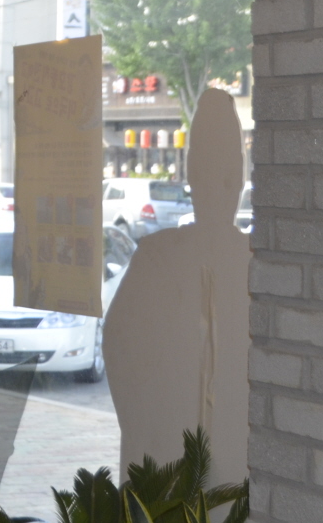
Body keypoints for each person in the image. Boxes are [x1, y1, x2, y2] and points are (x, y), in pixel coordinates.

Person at [102, 88, 250, 485]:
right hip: (164, 461)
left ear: (239, 179)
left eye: (229, 177)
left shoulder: (252, 262)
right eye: (209, 174)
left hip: (232, 464)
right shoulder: (157, 258)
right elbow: (119, 347)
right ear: (192, 177)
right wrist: (145, 426)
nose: (221, 189)